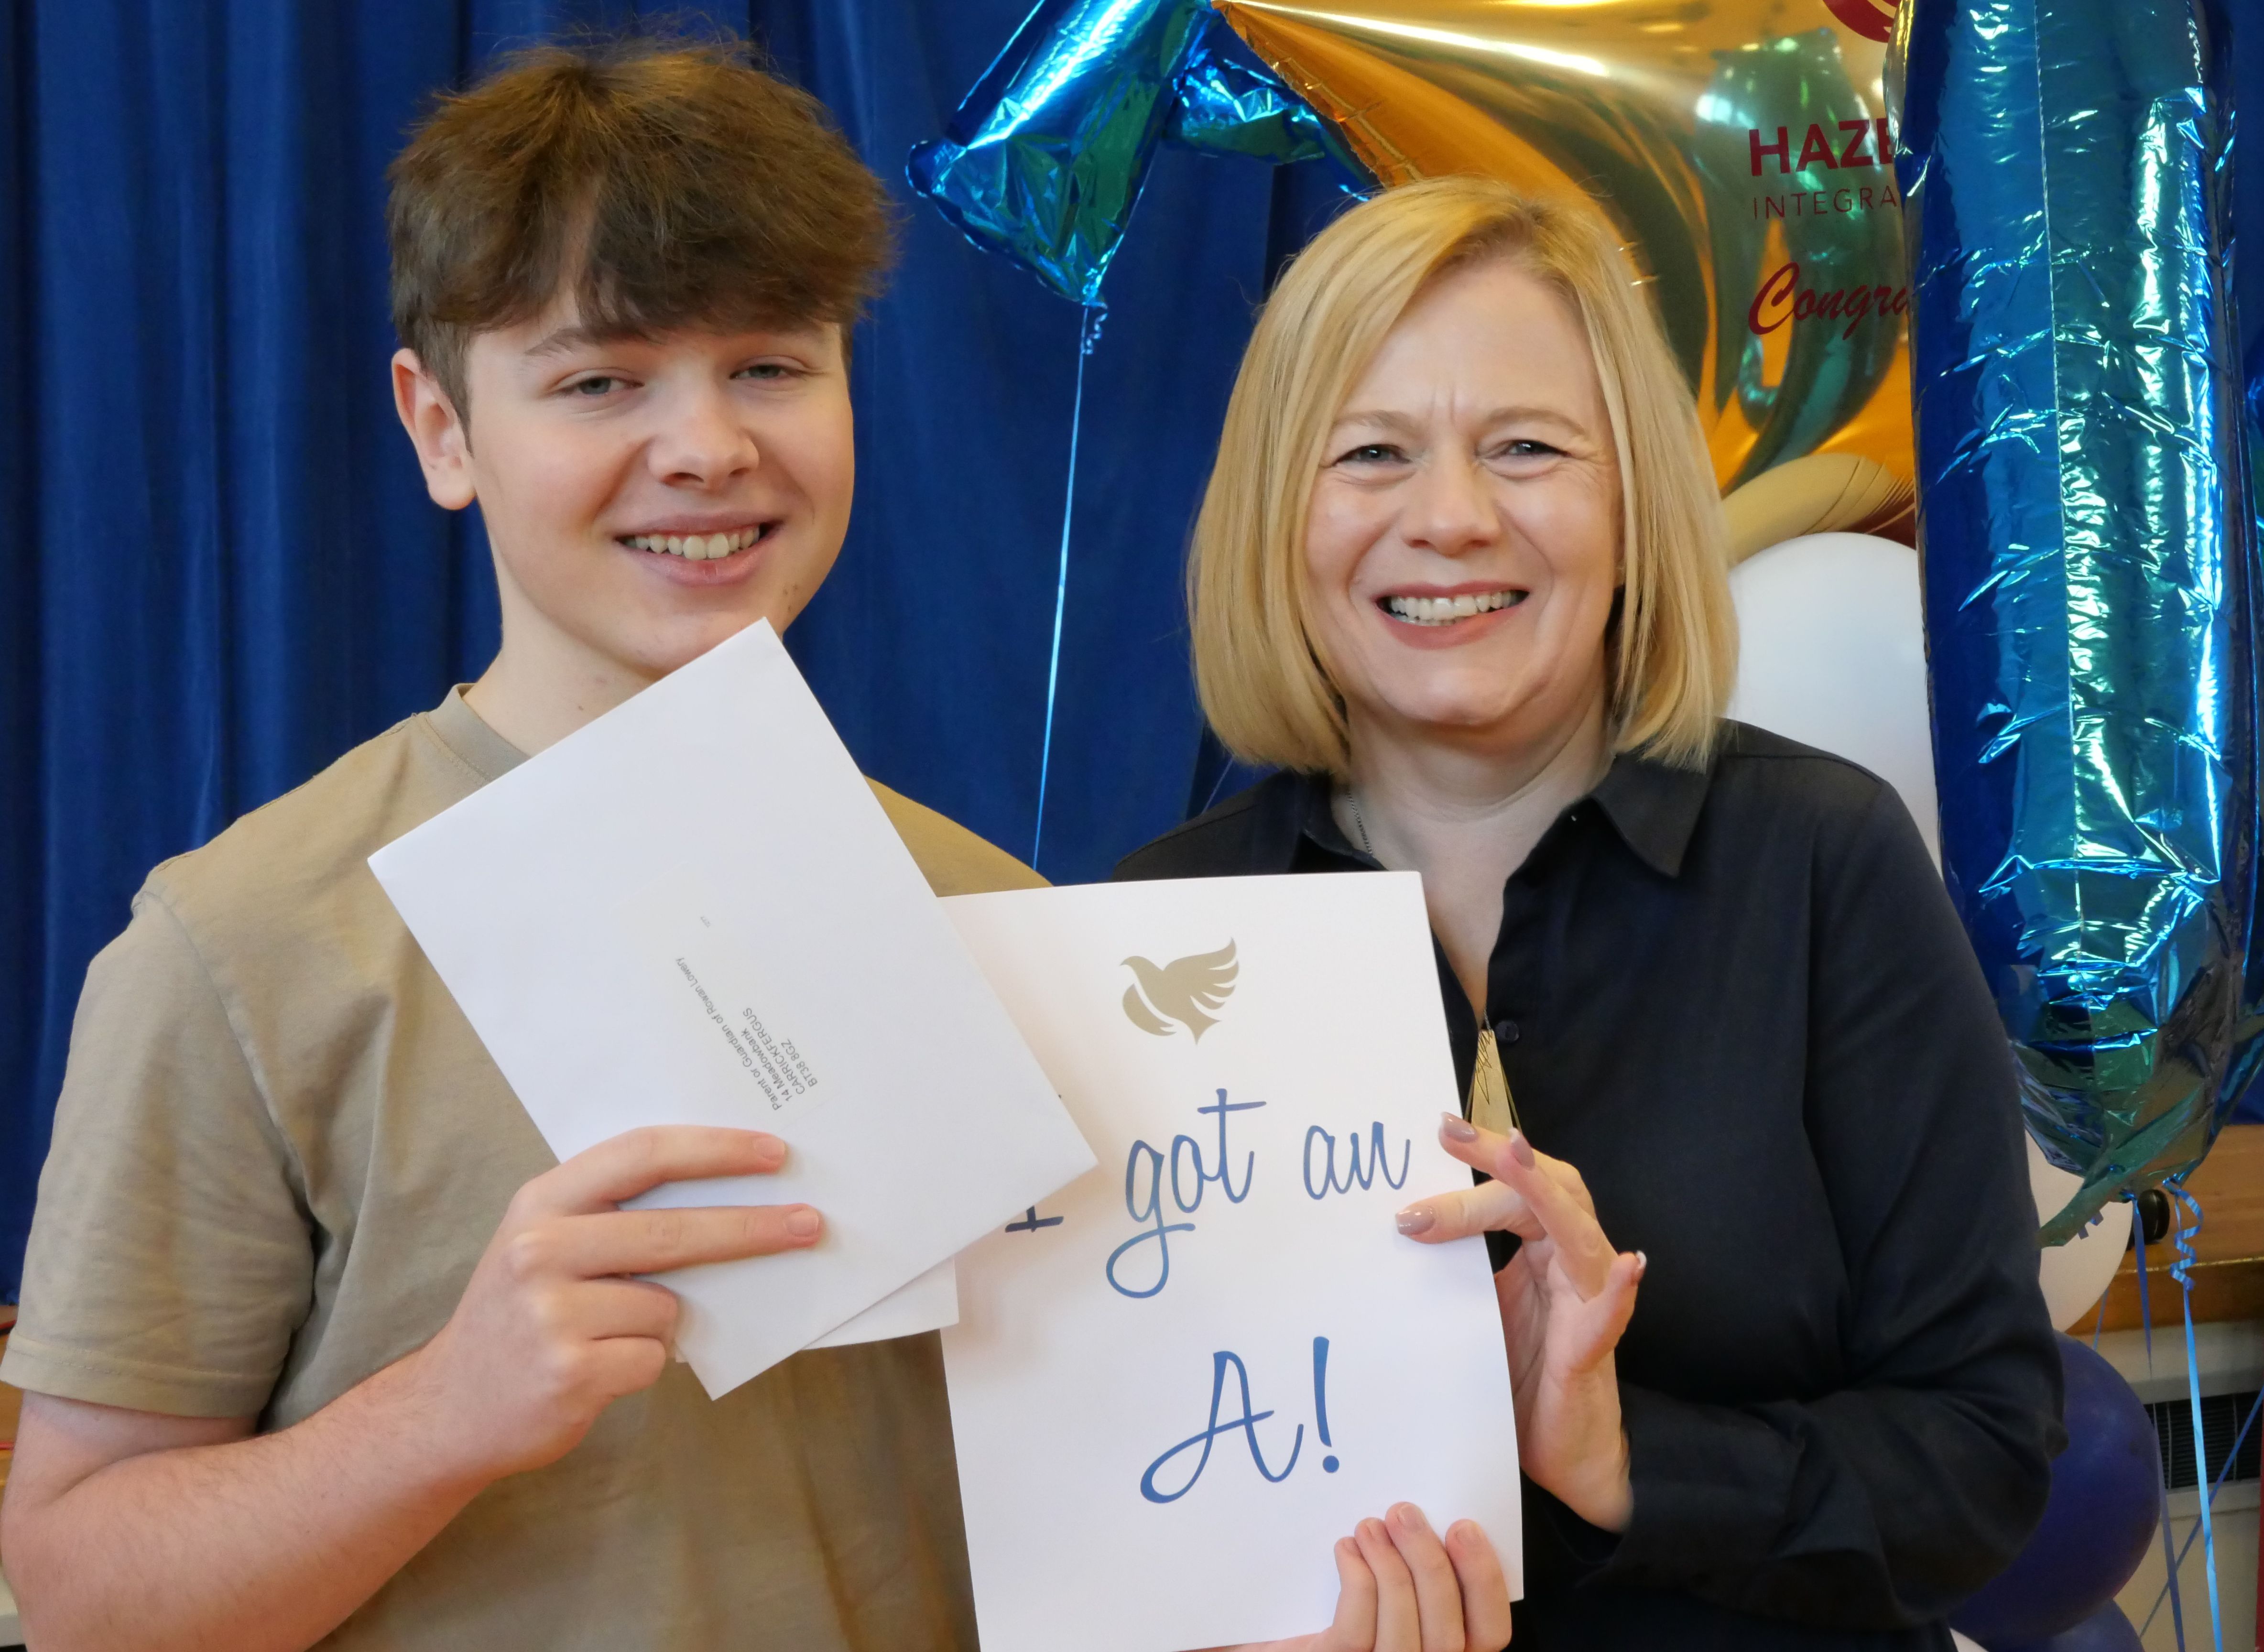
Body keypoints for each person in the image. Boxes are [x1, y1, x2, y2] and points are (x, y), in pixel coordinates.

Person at [0, 38, 1501, 1652]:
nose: (708, 447)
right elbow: (81, 1586)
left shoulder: (1004, 923)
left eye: (772, 366)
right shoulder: (246, 945)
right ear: (442, 430)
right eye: (600, 382)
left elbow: (1115, 1532)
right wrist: (447, 1407)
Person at [1117, 176, 2067, 1649]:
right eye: (1371, 452)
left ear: (1630, 504)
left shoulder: (1821, 866)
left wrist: (1631, 1464)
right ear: (1274, 515)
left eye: (1527, 449)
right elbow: (1105, 1493)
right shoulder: (1153, 936)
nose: (1450, 518)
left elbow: (1987, 1457)